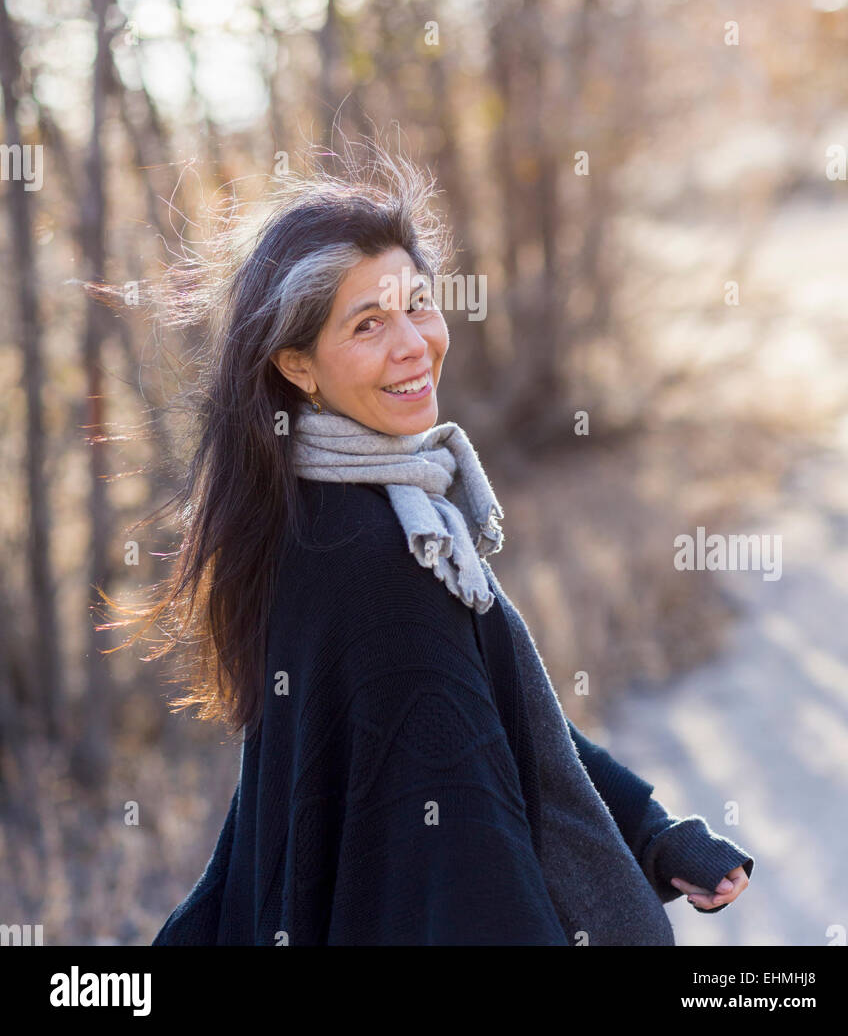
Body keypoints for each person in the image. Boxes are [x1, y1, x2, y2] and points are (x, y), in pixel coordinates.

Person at [129, 143, 752, 945]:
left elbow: (494, 715)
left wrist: (652, 835)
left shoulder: (333, 509)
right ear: (298, 367)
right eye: (367, 324)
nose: (413, 344)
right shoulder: (378, 558)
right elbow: (465, 863)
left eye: (418, 304)